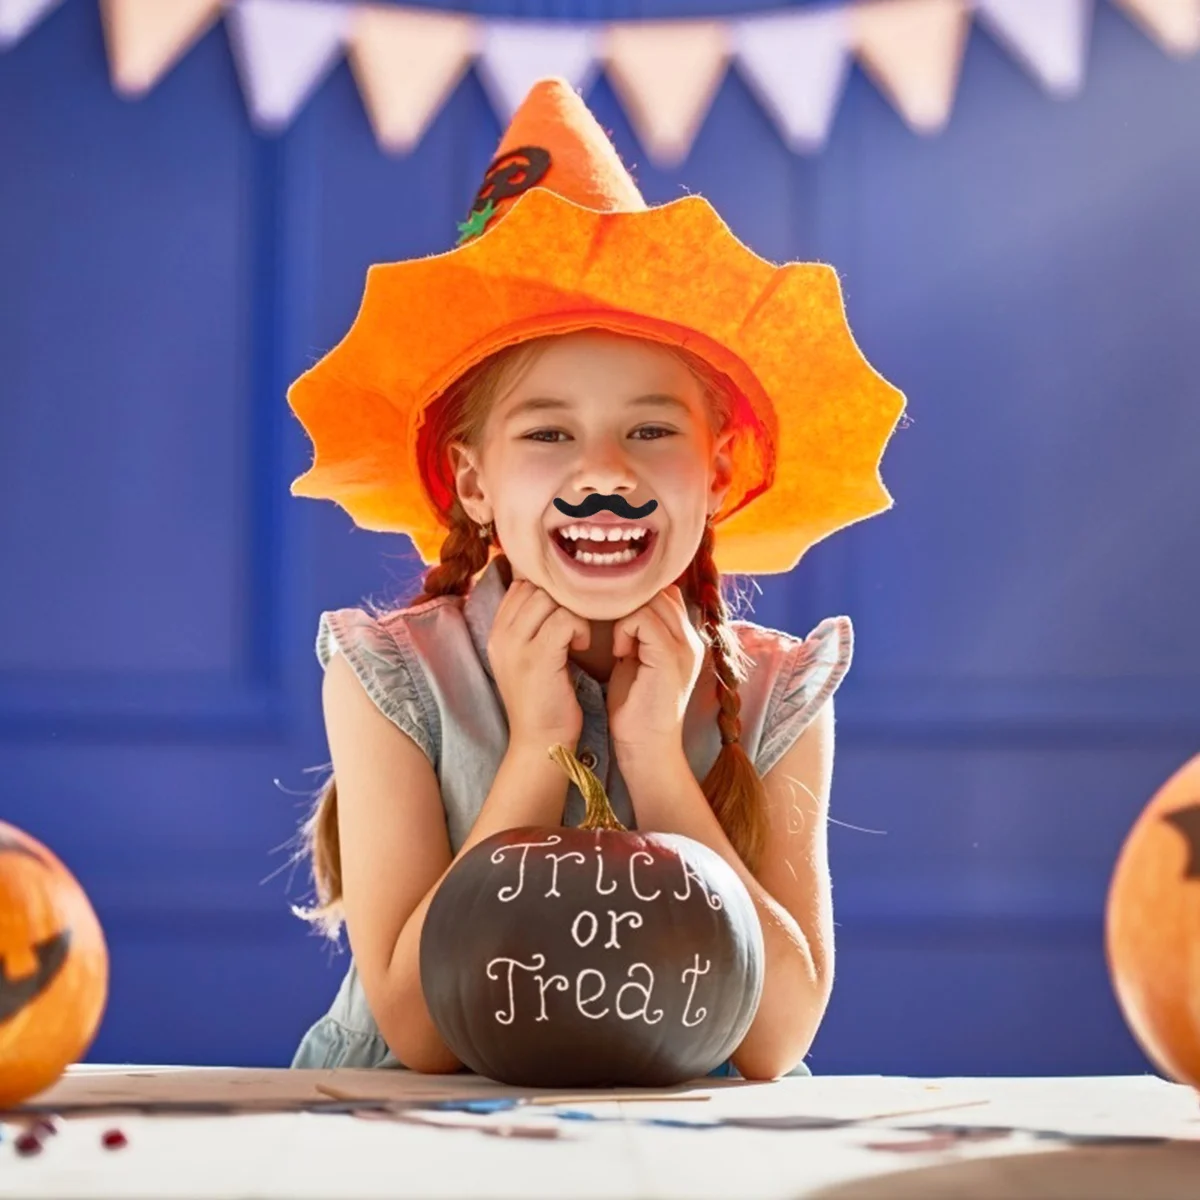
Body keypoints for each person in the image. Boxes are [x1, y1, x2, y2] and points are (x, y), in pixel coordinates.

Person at [284, 77, 905, 1081]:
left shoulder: (782, 691)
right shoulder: (388, 677)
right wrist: (537, 748)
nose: (606, 473)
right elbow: (420, 1035)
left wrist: (657, 758)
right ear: (474, 482)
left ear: (718, 471)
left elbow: (777, 1036)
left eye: (651, 431)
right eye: (550, 432)